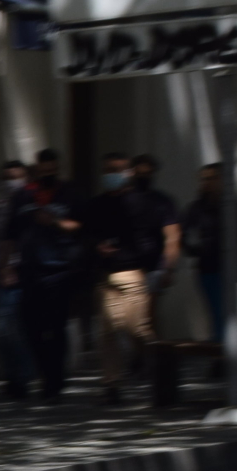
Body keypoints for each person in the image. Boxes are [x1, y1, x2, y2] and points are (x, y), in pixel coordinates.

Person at [80, 150, 180, 402]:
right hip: (106, 277)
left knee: (138, 330)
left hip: (134, 274)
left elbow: (162, 237)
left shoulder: (146, 202)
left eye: (117, 170)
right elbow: (86, 235)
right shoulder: (97, 205)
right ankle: (111, 384)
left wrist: (165, 268)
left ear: (128, 173)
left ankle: (161, 368)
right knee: (107, 332)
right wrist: (97, 246)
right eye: (107, 170)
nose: (111, 175)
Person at [16, 191, 88, 403]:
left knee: (55, 331)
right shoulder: (24, 207)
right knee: (32, 331)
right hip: (30, 279)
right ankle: (46, 374)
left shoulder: (64, 201)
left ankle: (54, 380)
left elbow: (78, 227)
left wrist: (54, 220)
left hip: (57, 278)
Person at [0, 160, 37, 399]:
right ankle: (14, 374)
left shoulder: (30, 206)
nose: (11, 182)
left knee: (15, 328)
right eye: (6, 177)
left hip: (21, 275)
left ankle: (22, 376)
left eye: (16, 177)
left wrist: (14, 266)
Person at [180, 162, 237, 344]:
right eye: (204, 179)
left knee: (227, 312)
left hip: (229, 267)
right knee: (216, 311)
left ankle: (224, 350)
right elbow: (184, 235)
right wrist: (198, 250)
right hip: (207, 268)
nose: (207, 183)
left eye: (211, 178)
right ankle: (220, 349)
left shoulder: (232, 205)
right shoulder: (196, 208)